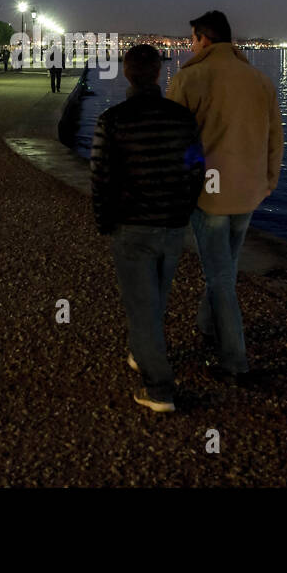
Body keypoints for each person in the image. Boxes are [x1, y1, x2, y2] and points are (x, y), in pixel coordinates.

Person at [166, 10, 283, 383]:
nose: (189, 45)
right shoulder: (260, 80)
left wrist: (182, 184)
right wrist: (268, 181)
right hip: (249, 189)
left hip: (209, 191)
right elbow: (275, 138)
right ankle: (208, 326)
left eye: (192, 39)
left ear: (202, 39)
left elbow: (175, 140)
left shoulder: (190, 78)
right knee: (225, 267)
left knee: (219, 277)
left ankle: (235, 362)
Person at [91, 44, 205, 413]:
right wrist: (183, 209)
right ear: (158, 73)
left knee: (141, 304)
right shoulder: (183, 119)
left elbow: (101, 177)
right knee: (155, 298)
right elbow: (196, 169)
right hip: (171, 224)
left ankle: (159, 389)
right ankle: (143, 353)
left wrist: (104, 219)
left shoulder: (112, 120)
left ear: (126, 73)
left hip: (132, 225)